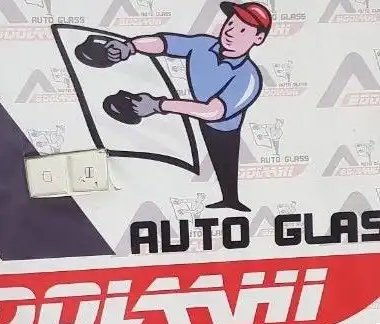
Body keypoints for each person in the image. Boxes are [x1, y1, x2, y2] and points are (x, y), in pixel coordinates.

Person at [101, 2, 272, 212]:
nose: (230, 31)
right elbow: (164, 43)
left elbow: (214, 112)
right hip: (198, 117)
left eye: (242, 30)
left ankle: (230, 200)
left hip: (223, 128)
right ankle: (227, 197)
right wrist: (130, 46)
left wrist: (158, 105)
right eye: (231, 24)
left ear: (258, 38)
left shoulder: (249, 77)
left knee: (224, 160)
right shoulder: (203, 45)